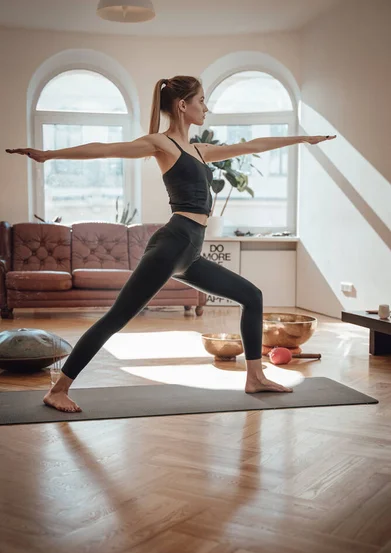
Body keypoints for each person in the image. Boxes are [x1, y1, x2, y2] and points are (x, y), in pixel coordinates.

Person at [5, 75, 336, 412]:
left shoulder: (199, 150)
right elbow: (105, 150)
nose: (206, 107)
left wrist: (302, 139)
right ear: (183, 105)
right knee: (117, 318)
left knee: (252, 296)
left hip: (189, 250)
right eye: (201, 101)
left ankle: (254, 377)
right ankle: (58, 389)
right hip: (172, 244)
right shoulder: (162, 144)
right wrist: (48, 154)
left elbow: (253, 145)